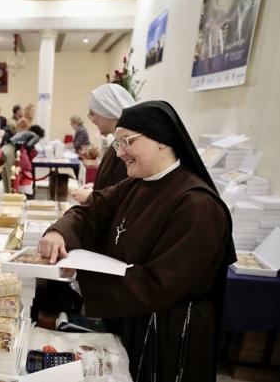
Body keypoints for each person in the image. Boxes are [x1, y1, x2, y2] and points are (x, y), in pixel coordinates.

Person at [38, 101, 235, 382]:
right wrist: (59, 232)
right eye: (117, 144)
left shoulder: (197, 205)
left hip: (168, 330)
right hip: (130, 313)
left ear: (162, 141)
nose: (120, 154)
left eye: (127, 142)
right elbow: (91, 211)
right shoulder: (138, 183)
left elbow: (161, 283)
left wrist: (85, 277)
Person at [70, 83, 135, 204]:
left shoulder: (128, 147)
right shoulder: (118, 142)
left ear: (108, 111)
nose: (92, 119)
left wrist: (92, 196)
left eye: (92, 113)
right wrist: (96, 189)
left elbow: (124, 195)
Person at [0, 124, 45, 193]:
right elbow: (28, 147)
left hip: (4, 149)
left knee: (6, 182)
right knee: (12, 183)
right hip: (10, 152)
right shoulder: (36, 136)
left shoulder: (25, 133)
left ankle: (6, 201)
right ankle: (12, 202)